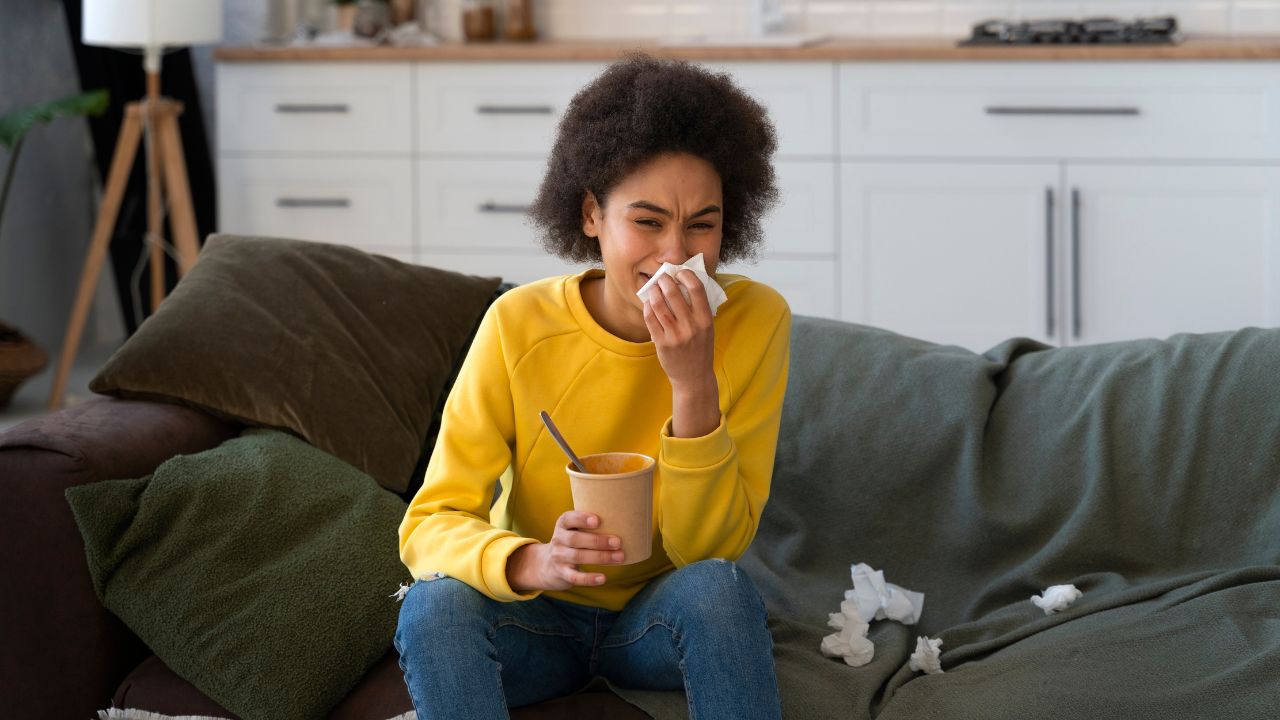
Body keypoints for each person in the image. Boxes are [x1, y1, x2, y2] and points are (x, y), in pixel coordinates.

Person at [394, 53, 791, 720]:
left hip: (658, 623)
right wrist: (532, 562)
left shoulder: (755, 321)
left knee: (721, 589)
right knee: (433, 605)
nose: (675, 255)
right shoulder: (518, 324)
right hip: (534, 624)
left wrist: (693, 383)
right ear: (590, 215)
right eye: (647, 221)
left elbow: (710, 551)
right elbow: (431, 523)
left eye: (702, 224)